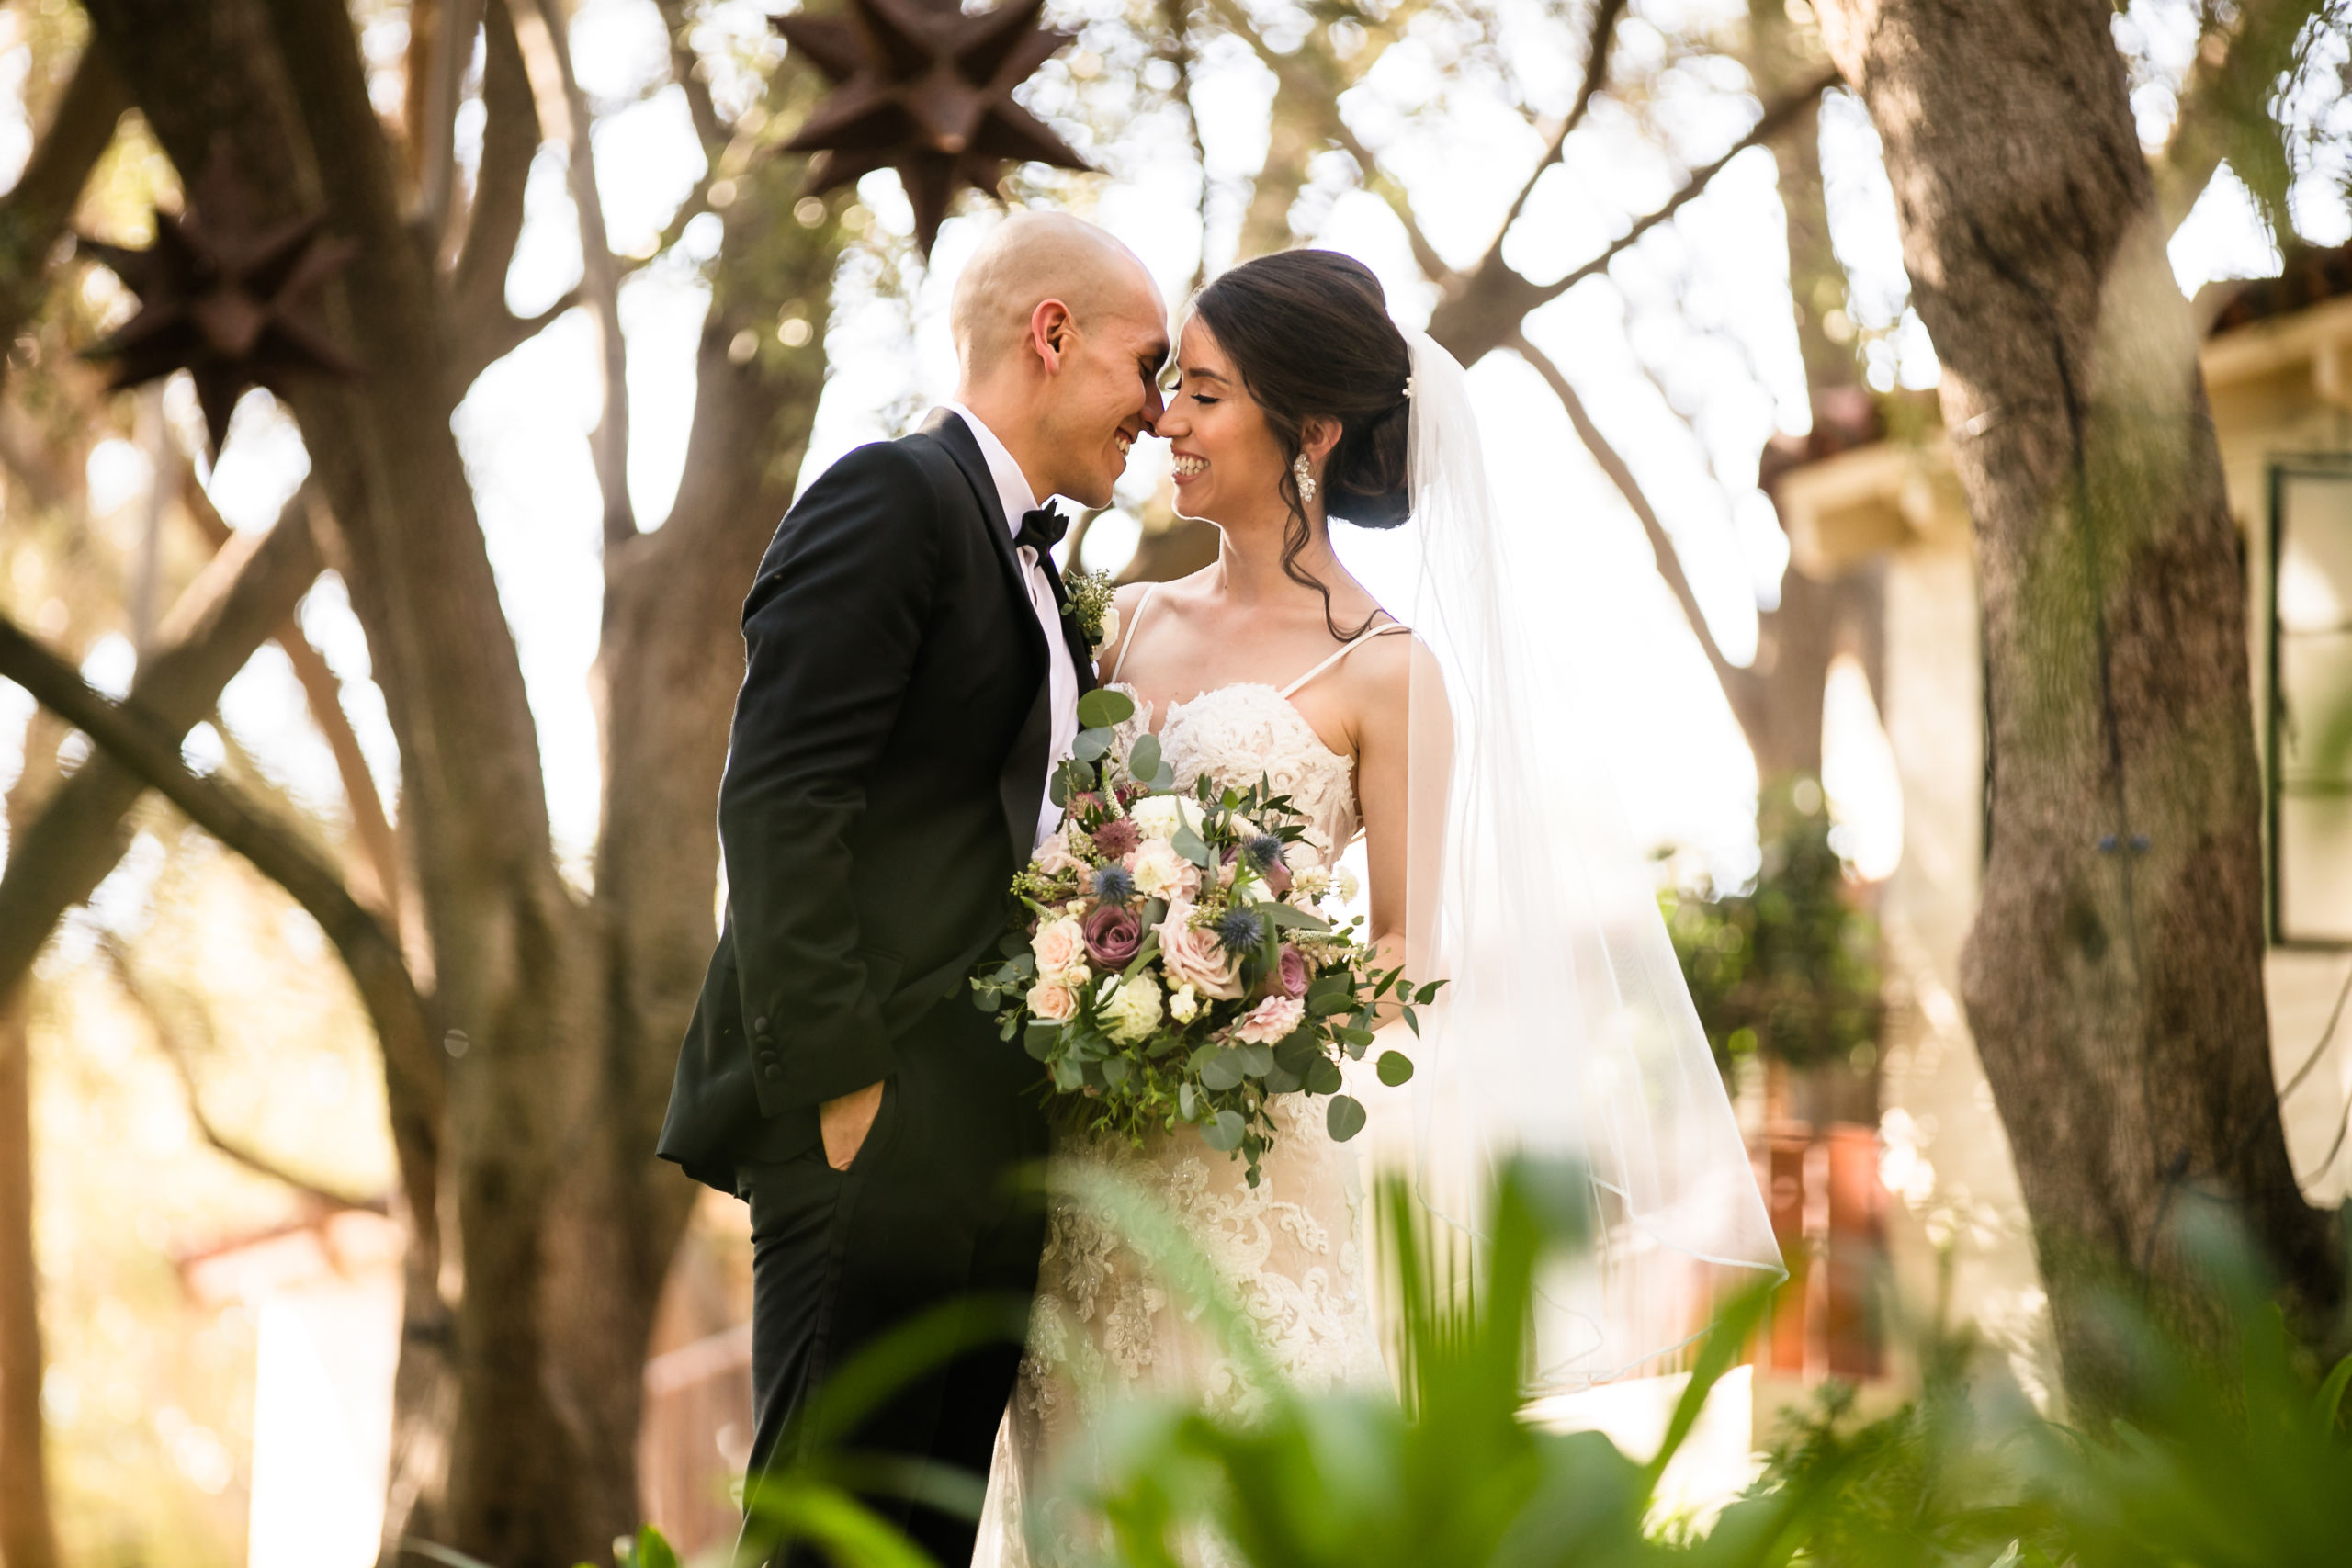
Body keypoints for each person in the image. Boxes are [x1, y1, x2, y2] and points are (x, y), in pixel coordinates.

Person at [978, 249, 1781, 1564]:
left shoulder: (1394, 675)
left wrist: (1259, 991)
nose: (1165, 419)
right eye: (1170, 386)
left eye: (1207, 395)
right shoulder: (1114, 628)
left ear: (1313, 430)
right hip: (1090, 1175)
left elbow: (1413, 956)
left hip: (1255, 1171)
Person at [654, 210, 1169, 1566]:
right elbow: (778, 798)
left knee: (920, 1546)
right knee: (830, 1537)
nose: (1157, 410)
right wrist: (845, 1090)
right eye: (1145, 365)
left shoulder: (1043, 569)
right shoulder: (892, 495)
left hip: (992, 1138)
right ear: (1050, 336)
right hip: (871, 1114)